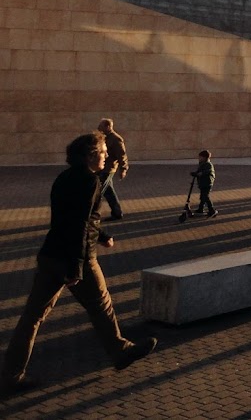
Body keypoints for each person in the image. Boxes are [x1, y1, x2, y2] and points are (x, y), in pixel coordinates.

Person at [1, 133, 157, 392]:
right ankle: (120, 350)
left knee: (32, 317)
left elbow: (71, 218)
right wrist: (75, 268)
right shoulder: (89, 181)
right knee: (102, 304)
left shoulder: (63, 177)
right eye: (104, 152)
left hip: (51, 255)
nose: (107, 156)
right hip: (77, 258)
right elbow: (80, 224)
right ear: (90, 155)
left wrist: (103, 235)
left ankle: (11, 374)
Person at [97, 119, 127, 221]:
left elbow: (122, 156)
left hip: (108, 169)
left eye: (101, 126)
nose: (99, 128)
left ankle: (116, 213)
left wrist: (123, 169)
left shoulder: (116, 139)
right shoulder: (104, 137)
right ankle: (117, 213)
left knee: (102, 192)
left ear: (108, 127)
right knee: (108, 192)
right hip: (102, 168)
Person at [191, 150, 217, 218]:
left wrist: (200, 174)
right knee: (202, 196)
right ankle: (200, 208)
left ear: (205, 157)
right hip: (202, 182)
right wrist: (195, 173)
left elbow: (207, 171)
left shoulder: (208, 164)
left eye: (200, 157)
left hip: (207, 182)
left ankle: (212, 210)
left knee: (206, 196)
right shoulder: (201, 163)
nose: (199, 158)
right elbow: (199, 170)